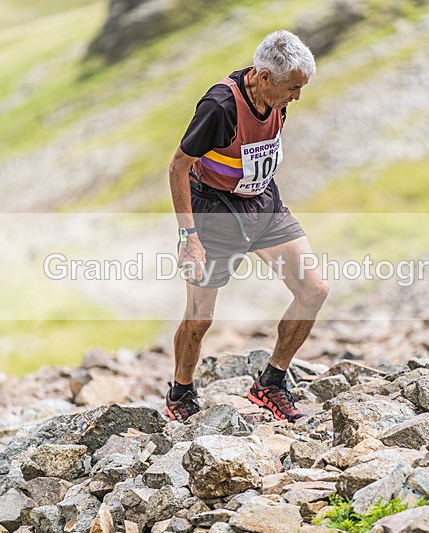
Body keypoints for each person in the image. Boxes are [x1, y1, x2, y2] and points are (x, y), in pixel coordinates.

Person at [165, 30, 329, 423]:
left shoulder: (277, 98)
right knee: (200, 317)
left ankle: (271, 382)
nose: (297, 97)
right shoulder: (220, 106)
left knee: (314, 289)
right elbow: (178, 167)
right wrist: (189, 237)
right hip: (213, 212)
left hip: (262, 204)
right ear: (264, 77)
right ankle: (180, 392)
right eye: (292, 88)